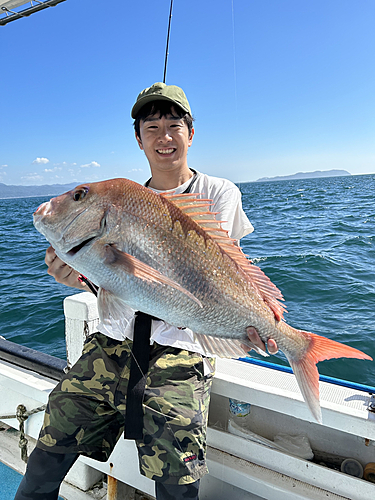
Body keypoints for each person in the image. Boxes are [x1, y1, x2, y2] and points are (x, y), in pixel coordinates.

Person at [15, 82, 278, 500]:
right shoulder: (123, 201)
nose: (164, 136)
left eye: (174, 125)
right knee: (43, 461)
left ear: (191, 134)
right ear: (138, 139)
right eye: (151, 127)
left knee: (176, 486)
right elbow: (119, 280)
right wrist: (81, 276)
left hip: (182, 349)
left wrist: (254, 321)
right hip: (110, 344)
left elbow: (221, 269)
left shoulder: (217, 193)